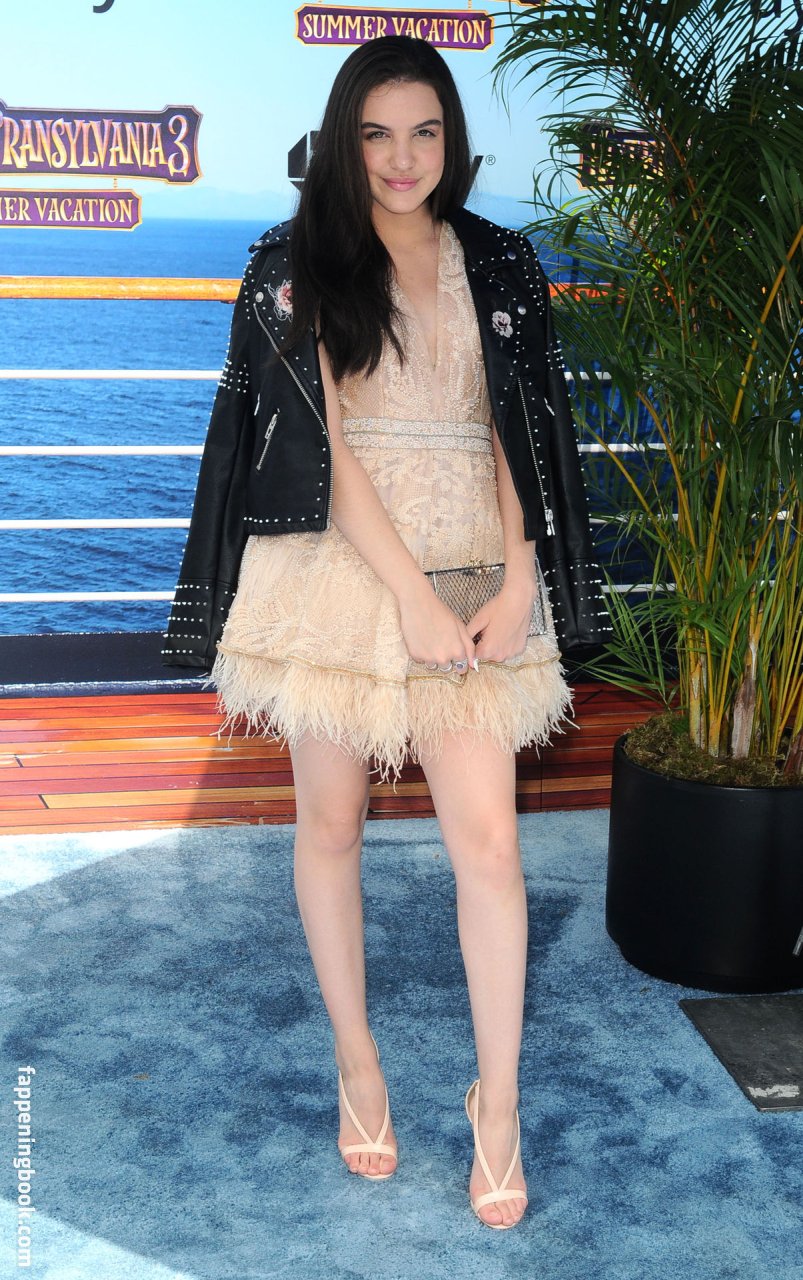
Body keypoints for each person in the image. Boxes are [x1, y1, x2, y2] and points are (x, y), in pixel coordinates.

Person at [162, 35, 609, 1230]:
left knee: (490, 846)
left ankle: (496, 1104)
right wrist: (408, 593)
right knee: (330, 822)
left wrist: (520, 575)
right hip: (338, 563)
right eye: (376, 134)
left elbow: (521, 426)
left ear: (450, 142)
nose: (401, 158)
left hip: (478, 562)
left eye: (423, 133)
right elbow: (319, 443)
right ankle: (357, 1063)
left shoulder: (499, 260)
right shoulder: (295, 260)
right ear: (342, 140)